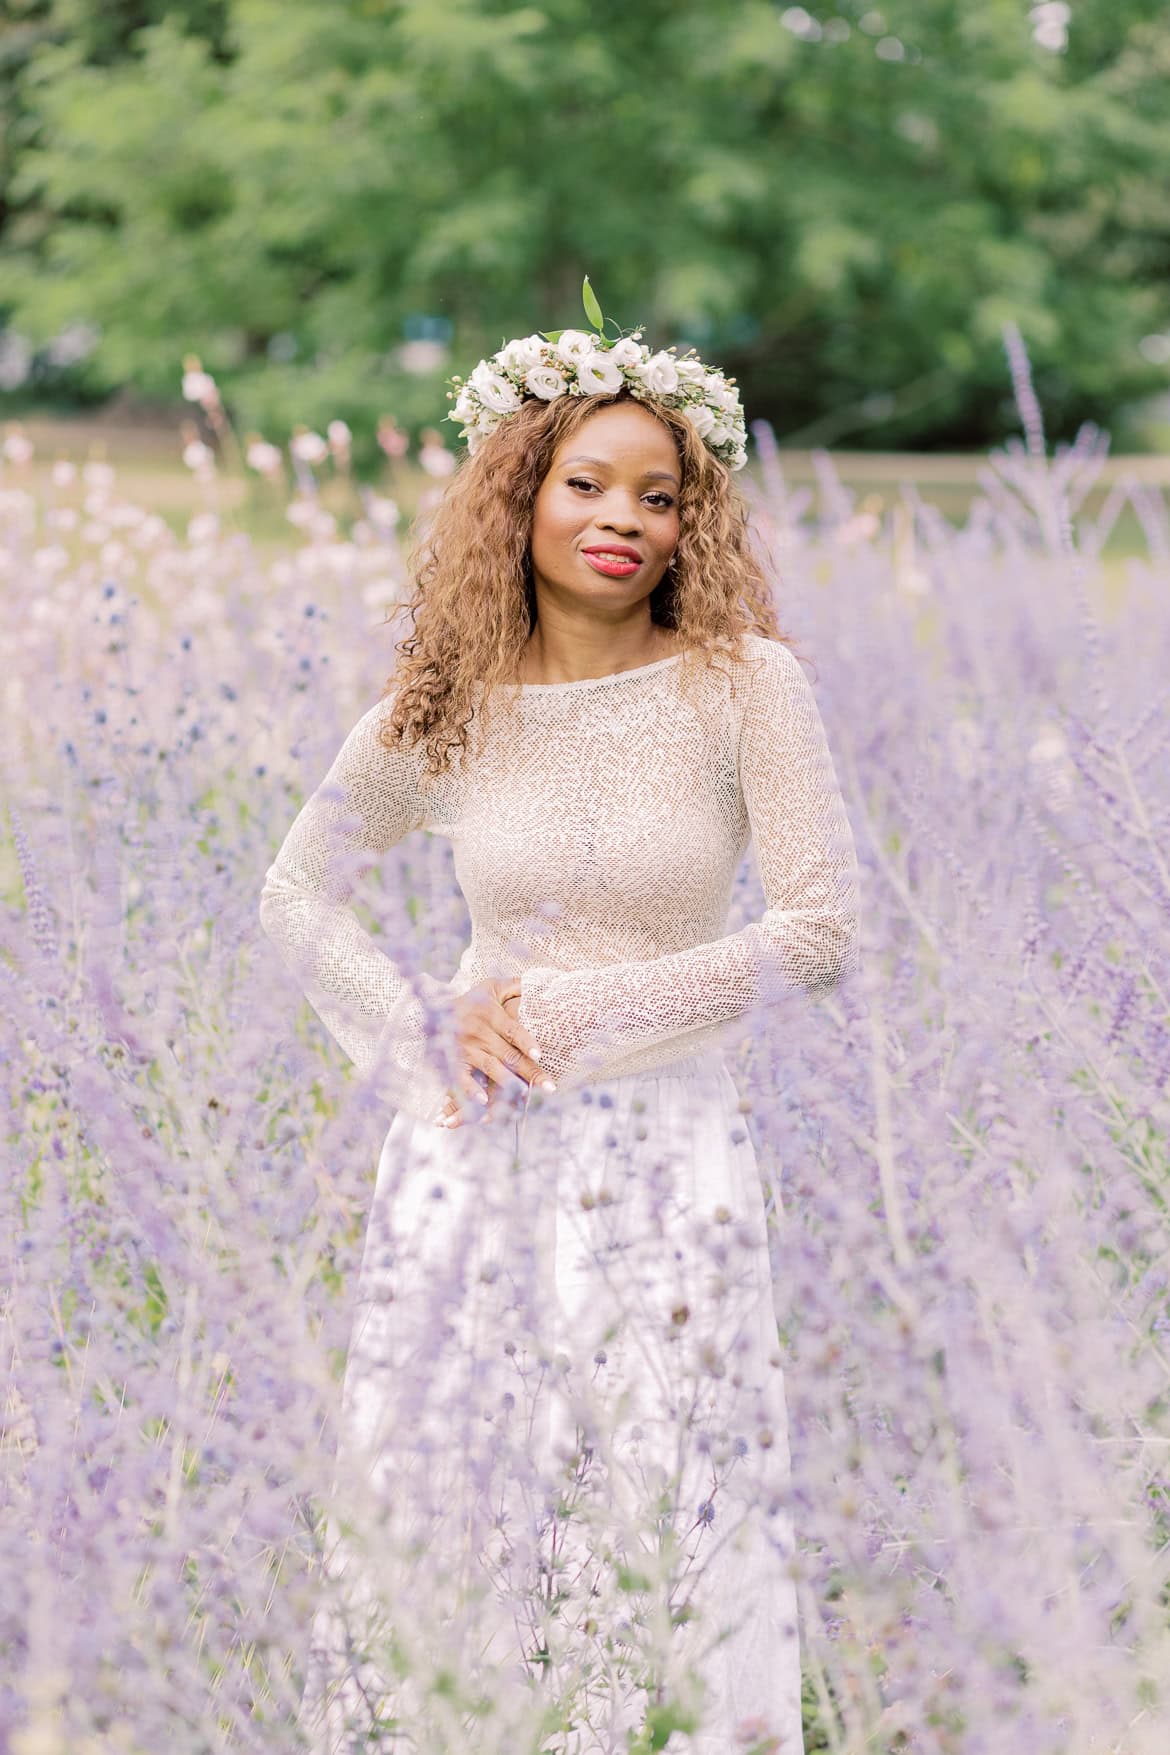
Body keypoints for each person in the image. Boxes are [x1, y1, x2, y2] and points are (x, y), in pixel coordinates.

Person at [259, 316, 861, 1754]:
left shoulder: (744, 684)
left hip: (668, 1165)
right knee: (446, 1499)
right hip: (474, 1158)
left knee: (654, 1500)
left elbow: (822, 932)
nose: (624, 522)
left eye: (659, 496)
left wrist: (571, 1010)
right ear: (518, 488)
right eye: (588, 483)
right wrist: (422, 1024)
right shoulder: (443, 707)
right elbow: (290, 894)